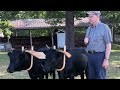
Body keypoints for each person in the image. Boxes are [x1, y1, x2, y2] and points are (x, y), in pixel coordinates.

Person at [84, 11, 112, 79]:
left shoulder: (105, 28)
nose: (89, 18)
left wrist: (106, 59)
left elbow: (108, 44)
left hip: (100, 56)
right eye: (88, 16)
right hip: (90, 56)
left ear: (98, 16)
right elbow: (86, 43)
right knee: (90, 77)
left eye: (91, 16)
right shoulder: (89, 29)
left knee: (100, 77)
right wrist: (85, 42)